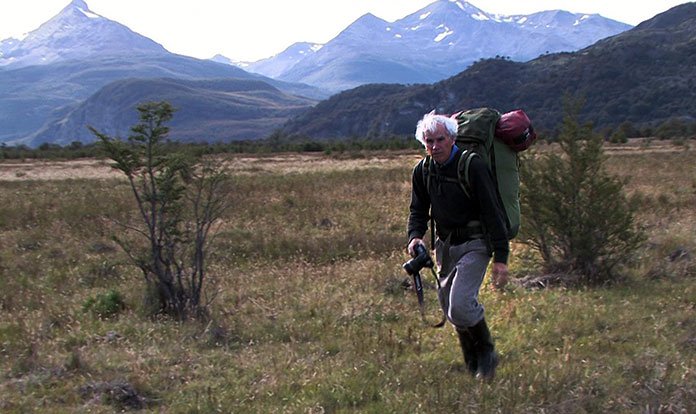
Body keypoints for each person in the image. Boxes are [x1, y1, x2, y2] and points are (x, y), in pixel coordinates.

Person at [407, 111, 509, 380]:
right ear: (423, 143)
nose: (435, 146)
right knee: (448, 305)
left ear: (452, 138)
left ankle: (487, 353)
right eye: (429, 141)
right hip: (445, 245)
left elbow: (493, 210)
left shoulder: (471, 166)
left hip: (475, 243)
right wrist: (415, 236)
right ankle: (471, 359)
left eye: (440, 139)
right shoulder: (423, 171)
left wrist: (501, 257)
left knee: (461, 304)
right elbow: (418, 209)